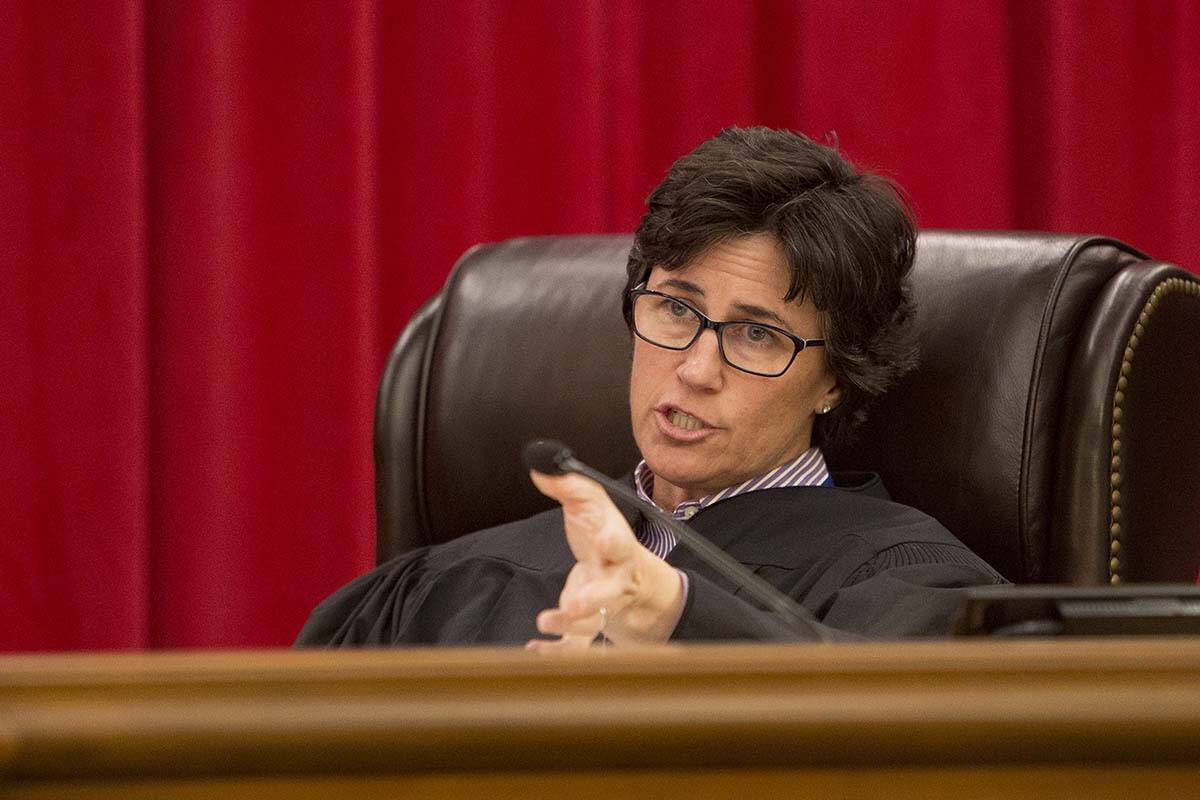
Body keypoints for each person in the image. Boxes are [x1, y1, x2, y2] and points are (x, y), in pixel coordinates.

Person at [297, 127, 1006, 649]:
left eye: (757, 334)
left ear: (839, 378)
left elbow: (910, 735)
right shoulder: (452, 584)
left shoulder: (907, 585)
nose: (696, 369)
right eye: (675, 309)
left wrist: (681, 618)